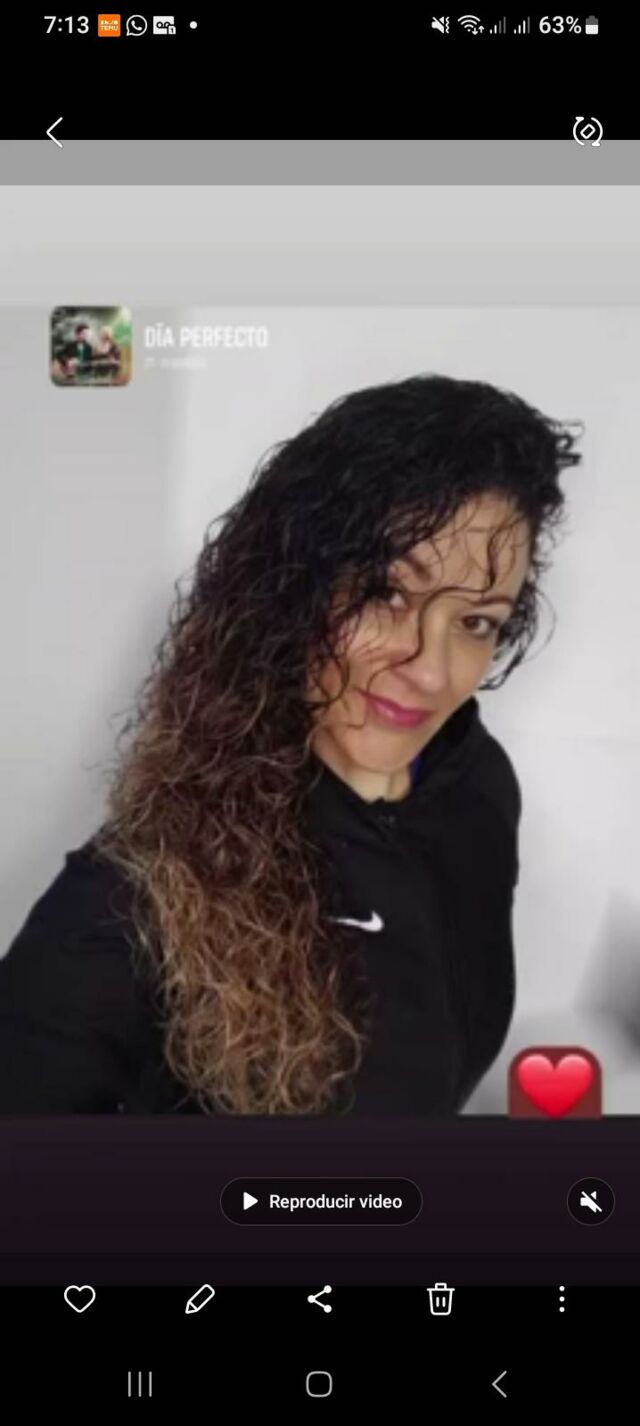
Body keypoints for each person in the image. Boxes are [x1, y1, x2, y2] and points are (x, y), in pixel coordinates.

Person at [0, 373, 582, 1115]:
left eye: (476, 622)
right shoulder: (132, 902)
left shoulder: (474, 781)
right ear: (290, 588)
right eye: (385, 593)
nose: (433, 671)